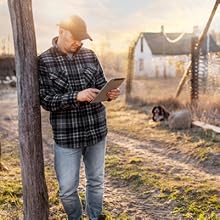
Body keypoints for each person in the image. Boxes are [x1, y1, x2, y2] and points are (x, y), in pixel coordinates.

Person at [38, 15, 120, 220]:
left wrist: (109, 94)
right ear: (62, 31)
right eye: (75, 38)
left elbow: (101, 83)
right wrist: (76, 96)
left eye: (82, 39)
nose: (79, 43)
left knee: (96, 181)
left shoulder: (90, 55)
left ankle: (94, 216)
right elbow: (47, 100)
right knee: (66, 190)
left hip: (96, 130)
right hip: (67, 137)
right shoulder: (44, 61)